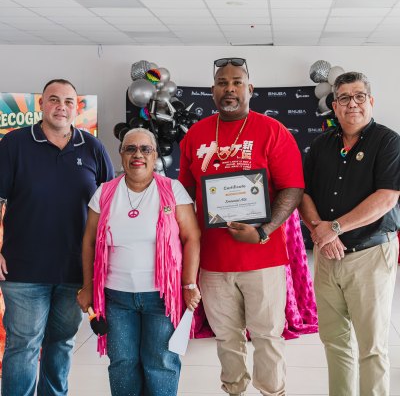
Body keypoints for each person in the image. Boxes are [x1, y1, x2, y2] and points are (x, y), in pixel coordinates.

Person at [178, 57, 304, 396]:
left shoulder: (272, 130)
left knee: (266, 336)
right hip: (214, 261)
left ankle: (271, 391)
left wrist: (263, 230)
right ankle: (234, 390)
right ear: (212, 90)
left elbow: (292, 187)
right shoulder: (197, 134)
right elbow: (184, 194)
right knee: (226, 338)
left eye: (236, 82)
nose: (229, 88)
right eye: (222, 82)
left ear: (250, 89)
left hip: (262, 257)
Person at [0, 78, 114, 395]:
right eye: (53, 99)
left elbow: (109, 205)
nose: (60, 107)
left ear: (76, 107)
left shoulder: (93, 147)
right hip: (23, 269)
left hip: (75, 270)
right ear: (41, 105)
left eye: (67, 101)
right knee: (23, 346)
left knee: (61, 343)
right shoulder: (14, 144)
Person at [77, 128, 201, 396]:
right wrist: (87, 286)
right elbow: (88, 242)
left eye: (145, 149)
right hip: (117, 297)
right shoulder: (105, 192)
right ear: (121, 154)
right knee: (123, 363)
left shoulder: (172, 190)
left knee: (161, 363)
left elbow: (192, 237)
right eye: (130, 148)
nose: (138, 155)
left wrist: (189, 283)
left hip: (162, 298)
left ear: (155, 155)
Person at [299, 71, 400, 396]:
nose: (352, 104)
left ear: (370, 101)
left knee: (371, 347)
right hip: (328, 258)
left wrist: (335, 228)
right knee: (334, 341)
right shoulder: (320, 144)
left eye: (359, 97)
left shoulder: (389, 142)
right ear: (334, 105)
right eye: (344, 98)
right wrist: (320, 233)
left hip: (370, 255)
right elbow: (303, 193)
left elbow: (387, 197)